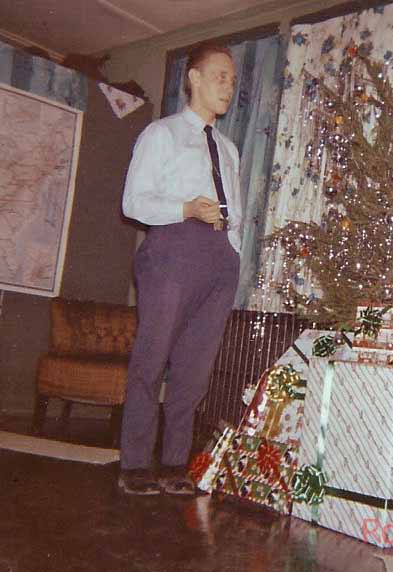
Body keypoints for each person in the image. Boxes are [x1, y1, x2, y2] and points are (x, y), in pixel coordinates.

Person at [118, 41, 242, 495]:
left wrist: (233, 254)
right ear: (194, 78)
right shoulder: (162, 134)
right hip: (172, 249)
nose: (228, 86)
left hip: (219, 258)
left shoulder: (228, 149)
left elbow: (238, 211)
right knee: (152, 359)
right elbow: (133, 202)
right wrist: (186, 208)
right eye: (220, 76)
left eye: (232, 79)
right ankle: (134, 463)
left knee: (195, 368)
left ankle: (174, 463)